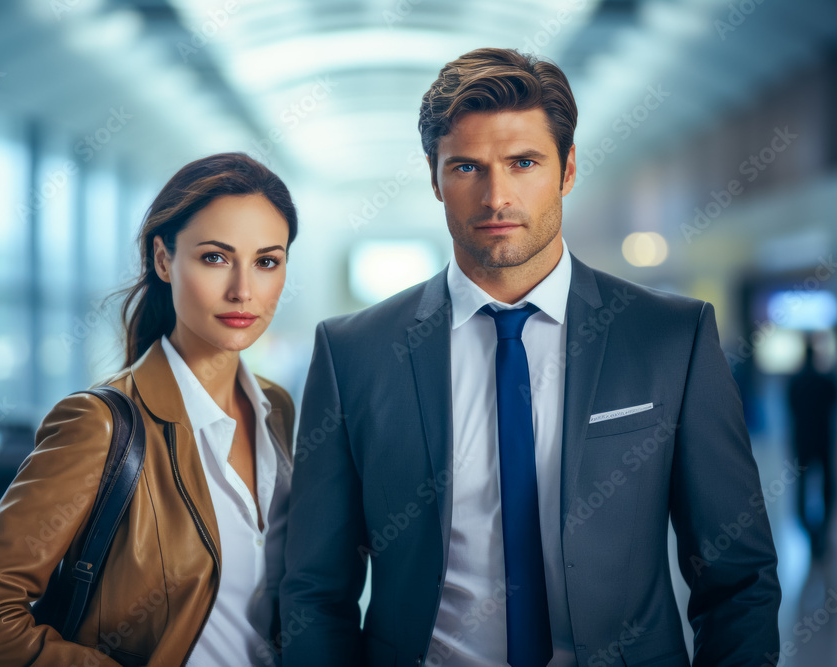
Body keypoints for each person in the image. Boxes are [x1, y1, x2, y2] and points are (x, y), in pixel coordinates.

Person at [280, 48, 780, 666]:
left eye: (523, 163)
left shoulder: (670, 337)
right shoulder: (353, 353)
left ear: (567, 170)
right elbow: (315, 589)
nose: (496, 197)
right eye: (467, 167)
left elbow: (738, 578)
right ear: (434, 177)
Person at [0, 152, 298, 666]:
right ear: (163, 260)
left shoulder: (278, 410)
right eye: (215, 258)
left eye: (266, 261)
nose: (243, 290)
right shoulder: (100, 423)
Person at [787, 334, 836, 560]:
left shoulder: (795, 383)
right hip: (823, 440)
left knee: (802, 486)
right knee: (826, 484)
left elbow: (791, 411)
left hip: (802, 441)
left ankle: (809, 528)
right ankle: (823, 527)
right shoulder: (826, 382)